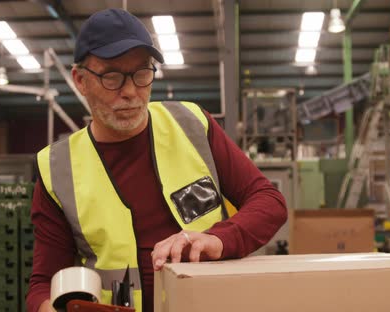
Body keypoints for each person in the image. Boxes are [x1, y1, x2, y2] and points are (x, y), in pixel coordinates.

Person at [26, 8, 287, 312]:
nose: (130, 91)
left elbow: (269, 202)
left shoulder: (192, 125)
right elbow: (44, 283)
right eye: (112, 77)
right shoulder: (57, 169)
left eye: (142, 73)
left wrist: (219, 240)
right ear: (80, 80)